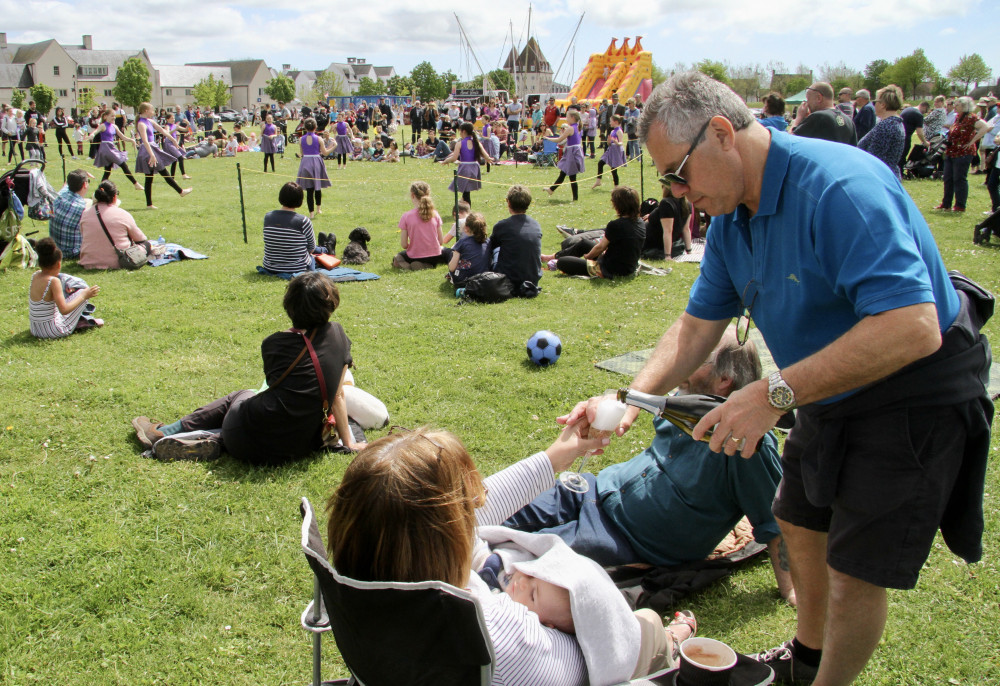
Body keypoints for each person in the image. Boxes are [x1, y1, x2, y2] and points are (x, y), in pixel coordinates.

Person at [565, 70, 990, 686]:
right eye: (666, 180)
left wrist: (773, 393)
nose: (677, 193)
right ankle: (806, 659)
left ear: (721, 134)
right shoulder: (733, 217)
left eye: (679, 173)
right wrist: (631, 396)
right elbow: (695, 328)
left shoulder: (839, 187)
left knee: (853, 574)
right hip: (825, 387)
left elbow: (913, 325)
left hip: (911, 387)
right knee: (797, 521)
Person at [325, 424, 695, 685]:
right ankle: (673, 641)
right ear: (446, 538)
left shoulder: (365, 584)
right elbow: (583, 670)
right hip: (608, 645)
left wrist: (554, 458)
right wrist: (551, 611)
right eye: (465, 511)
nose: (474, 509)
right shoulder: (497, 636)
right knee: (643, 624)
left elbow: (473, 511)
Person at [506, 330, 793, 598]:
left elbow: (777, 523)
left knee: (512, 559)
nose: (683, 365)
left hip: (622, 538)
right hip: (591, 490)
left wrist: (792, 591)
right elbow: (631, 398)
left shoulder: (745, 441)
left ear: (724, 380)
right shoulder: (684, 401)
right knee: (487, 510)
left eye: (697, 358)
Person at [132, 272, 364, 462]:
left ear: (289, 306)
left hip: (246, 438)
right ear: (331, 305)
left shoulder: (274, 344)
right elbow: (338, 395)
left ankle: (164, 432)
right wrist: (350, 442)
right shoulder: (339, 335)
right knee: (256, 415)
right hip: (299, 446)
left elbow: (274, 387)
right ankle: (211, 439)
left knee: (243, 395)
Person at [547, 186, 645, 279]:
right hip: (629, 265)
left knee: (562, 262)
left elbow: (600, 247)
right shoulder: (640, 222)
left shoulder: (616, 225)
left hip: (611, 269)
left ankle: (559, 259)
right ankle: (552, 256)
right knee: (584, 243)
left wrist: (588, 257)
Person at [29, 238, 101, 339]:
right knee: (83, 291)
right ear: (58, 264)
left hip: (35, 329)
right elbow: (64, 310)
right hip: (53, 331)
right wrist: (84, 295)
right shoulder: (53, 281)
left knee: (77, 294)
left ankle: (79, 318)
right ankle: (82, 321)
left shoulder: (35, 275)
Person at [79, 180, 159, 270]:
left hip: (88, 262)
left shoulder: (85, 214)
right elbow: (140, 238)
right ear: (114, 197)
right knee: (146, 244)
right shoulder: (122, 214)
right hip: (118, 261)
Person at [935, 96, 990, 213]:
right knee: (948, 178)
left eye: (957, 105)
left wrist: (972, 141)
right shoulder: (958, 117)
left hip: (963, 153)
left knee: (959, 178)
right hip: (951, 151)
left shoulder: (971, 117)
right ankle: (946, 204)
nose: (955, 106)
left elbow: (985, 126)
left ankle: (960, 205)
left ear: (965, 106)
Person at [134, 102, 193, 209]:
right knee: (160, 173)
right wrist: (152, 155)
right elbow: (145, 141)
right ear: (146, 111)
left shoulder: (150, 121)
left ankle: (149, 204)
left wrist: (173, 139)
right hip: (148, 151)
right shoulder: (141, 124)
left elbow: (163, 131)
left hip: (152, 149)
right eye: (152, 110)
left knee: (150, 178)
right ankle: (180, 191)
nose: (153, 112)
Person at [488, 185, 542, 296]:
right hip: (532, 279)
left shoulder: (502, 225)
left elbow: (489, 247)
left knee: (496, 251)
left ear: (508, 202)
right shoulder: (536, 225)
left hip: (508, 280)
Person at [392, 180, 452, 270]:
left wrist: (415, 247)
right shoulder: (435, 214)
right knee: (450, 252)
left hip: (414, 255)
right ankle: (427, 265)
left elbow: (404, 244)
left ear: (412, 195)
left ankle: (405, 263)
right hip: (434, 255)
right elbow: (440, 241)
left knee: (399, 255)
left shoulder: (406, 216)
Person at [261, 182, 318, 274]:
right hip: (297, 268)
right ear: (300, 200)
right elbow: (311, 248)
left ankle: (324, 248)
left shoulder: (268, 217)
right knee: (314, 253)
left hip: (270, 266)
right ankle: (326, 248)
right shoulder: (303, 221)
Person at [857, 85, 906, 179]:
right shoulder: (895, 122)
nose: (873, 104)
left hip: (880, 177)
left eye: (875, 102)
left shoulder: (887, 125)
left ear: (883, 104)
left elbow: (874, 158)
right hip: (888, 175)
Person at [790, 82, 857, 145]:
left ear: (819, 98)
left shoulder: (818, 117)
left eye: (808, 99)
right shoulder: (849, 121)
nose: (807, 104)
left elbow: (790, 140)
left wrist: (798, 118)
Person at [441, 122, 490, 206]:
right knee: (466, 191)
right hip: (474, 168)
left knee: (465, 191)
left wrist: (445, 161)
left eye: (460, 131)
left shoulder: (459, 143)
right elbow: (486, 155)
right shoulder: (476, 142)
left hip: (465, 168)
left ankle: (465, 210)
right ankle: (463, 206)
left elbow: (454, 158)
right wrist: (489, 160)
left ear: (463, 132)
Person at [89, 110, 142, 189]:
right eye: (112, 116)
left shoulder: (114, 126)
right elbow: (95, 131)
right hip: (106, 148)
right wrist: (91, 135)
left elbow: (123, 137)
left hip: (112, 147)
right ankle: (135, 183)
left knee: (107, 171)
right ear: (105, 117)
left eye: (114, 116)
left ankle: (100, 189)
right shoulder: (103, 125)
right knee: (123, 164)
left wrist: (132, 140)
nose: (114, 117)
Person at [297, 118, 337, 218]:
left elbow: (302, 153)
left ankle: (311, 213)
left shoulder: (301, 139)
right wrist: (334, 145)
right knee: (317, 187)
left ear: (305, 127)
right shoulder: (319, 139)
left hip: (305, 162)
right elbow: (325, 152)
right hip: (316, 162)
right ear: (315, 127)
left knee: (309, 189)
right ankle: (318, 209)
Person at [50, 169, 92, 259]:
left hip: (56, 247)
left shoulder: (59, 195)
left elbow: (66, 185)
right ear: (84, 184)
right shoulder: (82, 208)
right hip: (73, 252)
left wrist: (81, 173)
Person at [545, 110, 586, 201]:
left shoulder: (570, 128)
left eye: (567, 117)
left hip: (572, 152)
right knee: (563, 172)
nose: (566, 118)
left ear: (572, 118)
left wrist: (547, 138)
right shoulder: (578, 127)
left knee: (572, 176)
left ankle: (575, 198)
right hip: (573, 151)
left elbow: (559, 140)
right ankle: (551, 189)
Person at [641, 189, 692, 261]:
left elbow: (668, 231)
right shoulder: (687, 204)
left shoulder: (666, 203)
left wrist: (667, 256)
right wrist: (689, 251)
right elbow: (686, 229)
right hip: (663, 242)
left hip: (651, 242)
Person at [447, 211, 489, 286]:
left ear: (466, 227)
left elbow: (452, 268)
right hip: (484, 278)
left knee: (452, 254)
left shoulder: (462, 242)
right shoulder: (488, 241)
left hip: (463, 280)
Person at [593, 114, 626, 188]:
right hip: (610, 150)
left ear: (616, 122)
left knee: (613, 169)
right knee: (600, 163)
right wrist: (608, 141)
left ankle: (616, 187)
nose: (610, 122)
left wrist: (617, 142)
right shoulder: (612, 131)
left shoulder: (619, 131)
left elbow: (621, 142)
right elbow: (609, 143)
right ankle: (598, 181)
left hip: (616, 151)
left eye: (611, 121)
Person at [899, 101, 929, 169]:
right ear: (924, 107)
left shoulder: (907, 109)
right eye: (926, 111)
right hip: (906, 137)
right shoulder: (919, 115)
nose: (924, 113)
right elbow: (919, 132)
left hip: (899, 134)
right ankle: (900, 173)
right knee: (902, 157)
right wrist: (925, 142)